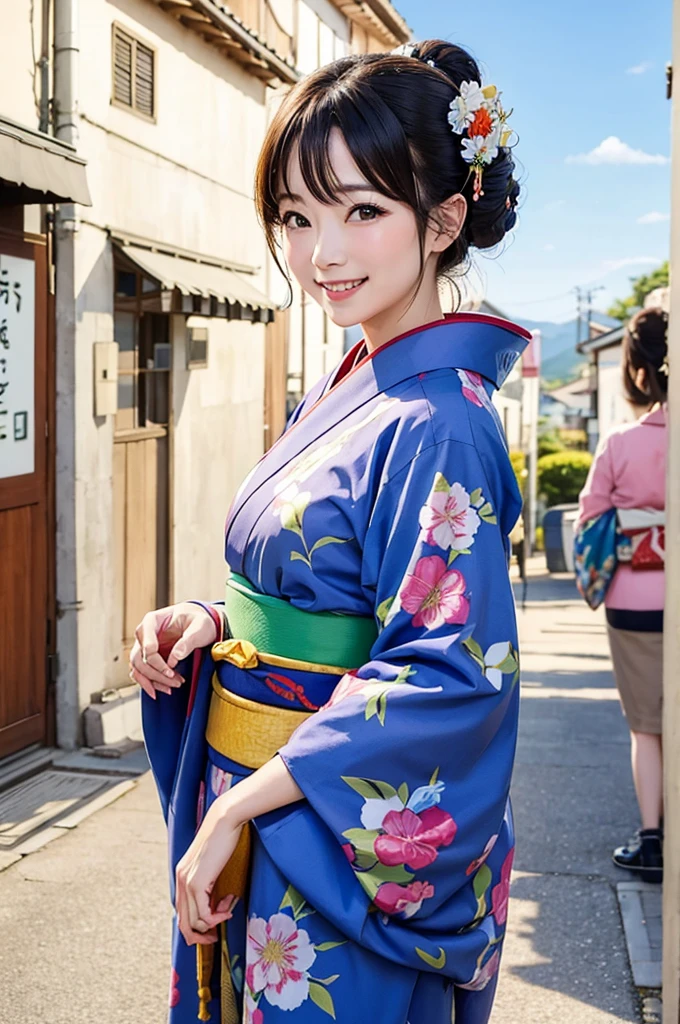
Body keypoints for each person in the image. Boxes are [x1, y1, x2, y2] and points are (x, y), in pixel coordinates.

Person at [132, 40, 529, 1024]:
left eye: (361, 211)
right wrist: (209, 616)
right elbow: (337, 589)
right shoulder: (359, 376)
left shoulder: (438, 418)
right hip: (278, 812)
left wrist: (235, 804)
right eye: (297, 216)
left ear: (442, 219)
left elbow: (449, 671)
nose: (322, 254)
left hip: (312, 827)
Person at [576, 307, 668, 884]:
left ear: (636, 371)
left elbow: (590, 523)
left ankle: (654, 839)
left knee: (647, 725)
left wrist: (638, 518)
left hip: (636, 597)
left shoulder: (620, 444)